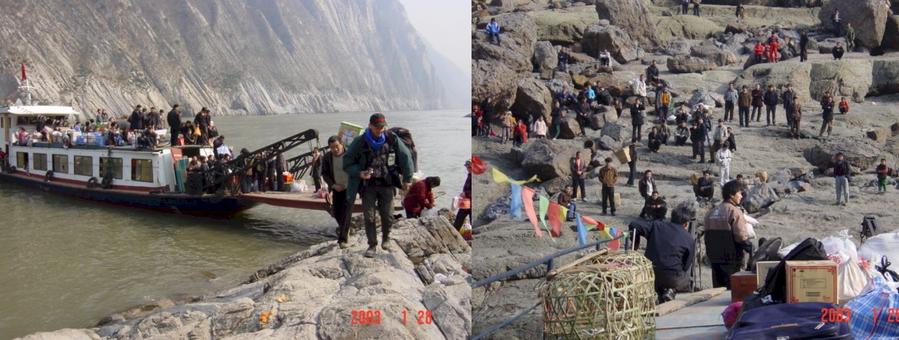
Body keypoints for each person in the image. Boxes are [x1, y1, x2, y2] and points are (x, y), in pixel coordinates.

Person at [343, 113, 414, 258]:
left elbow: (406, 156)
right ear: (370, 126)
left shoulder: (391, 138)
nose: (380, 130)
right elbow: (347, 162)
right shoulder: (360, 141)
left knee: (387, 216)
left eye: (382, 127)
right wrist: (359, 172)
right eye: (377, 127)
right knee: (369, 217)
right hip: (368, 185)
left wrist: (407, 178)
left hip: (386, 183)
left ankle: (386, 239)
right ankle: (372, 245)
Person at [628, 202, 697, 303]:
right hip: (673, 277)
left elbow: (634, 224)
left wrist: (635, 244)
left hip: (651, 273)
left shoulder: (656, 225)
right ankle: (671, 290)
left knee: (659, 278)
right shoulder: (689, 238)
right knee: (684, 278)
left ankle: (662, 293)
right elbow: (686, 265)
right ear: (686, 224)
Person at [704, 180, 752, 289]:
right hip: (730, 257)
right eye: (739, 193)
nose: (741, 196)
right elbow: (740, 236)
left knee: (717, 289)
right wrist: (748, 244)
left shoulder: (711, 212)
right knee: (730, 291)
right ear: (731, 194)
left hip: (714, 257)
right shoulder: (734, 211)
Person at [322, 136, 351, 248]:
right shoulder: (327, 157)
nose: (335, 149)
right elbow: (324, 173)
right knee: (337, 212)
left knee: (345, 212)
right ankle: (346, 229)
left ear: (342, 144)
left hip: (350, 188)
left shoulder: (349, 155)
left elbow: (356, 170)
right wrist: (333, 185)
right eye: (332, 147)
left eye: (336, 146)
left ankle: (342, 240)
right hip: (336, 188)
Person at [455, 160, 473, 230]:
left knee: (463, 219)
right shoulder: (469, 175)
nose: (467, 169)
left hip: (470, 202)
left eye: (469, 167)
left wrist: (466, 193)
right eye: (467, 167)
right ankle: (455, 232)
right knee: (459, 219)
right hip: (466, 201)